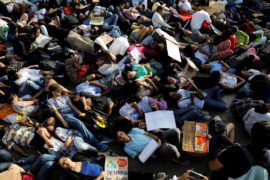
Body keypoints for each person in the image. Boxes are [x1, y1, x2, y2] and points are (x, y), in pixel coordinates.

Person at [47, 84, 108, 151]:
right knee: (79, 123)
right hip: (65, 115)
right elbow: (56, 112)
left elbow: (72, 106)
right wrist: (63, 122)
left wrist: (80, 113)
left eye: (60, 90)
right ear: (53, 91)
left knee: (89, 119)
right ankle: (96, 143)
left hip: (73, 112)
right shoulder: (50, 100)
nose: (60, 92)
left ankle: (101, 136)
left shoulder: (65, 97)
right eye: (58, 91)